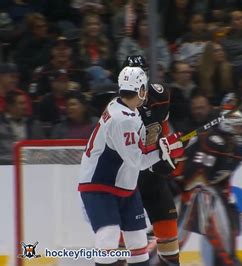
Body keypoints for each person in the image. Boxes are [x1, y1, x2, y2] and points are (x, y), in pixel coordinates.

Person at [77, 66, 184, 266]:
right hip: (101, 186)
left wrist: (164, 146)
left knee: (137, 240)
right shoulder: (122, 119)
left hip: (124, 186)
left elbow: (140, 147)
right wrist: (165, 151)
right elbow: (138, 161)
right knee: (109, 236)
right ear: (142, 91)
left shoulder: (123, 108)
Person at [123, 56, 181, 265]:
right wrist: (157, 155)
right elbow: (125, 153)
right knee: (123, 246)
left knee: (170, 239)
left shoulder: (161, 94)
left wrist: (168, 149)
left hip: (153, 178)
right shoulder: (118, 108)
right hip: (127, 182)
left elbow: (163, 130)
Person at [177, 106, 242, 266]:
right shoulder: (212, 141)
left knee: (232, 224)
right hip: (190, 193)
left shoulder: (231, 148)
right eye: (238, 126)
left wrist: (226, 199)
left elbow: (222, 180)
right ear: (228, 125)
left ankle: (225, 259)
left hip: (208, 193)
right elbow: (196, 177)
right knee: (176, 236)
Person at [0, 90, 44, 161]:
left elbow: (42, 147)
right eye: (21, 103)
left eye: (25, 103)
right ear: (10, 106)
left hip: (29, 164)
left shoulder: (33, 124)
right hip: (3, 164)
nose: (25, 106)